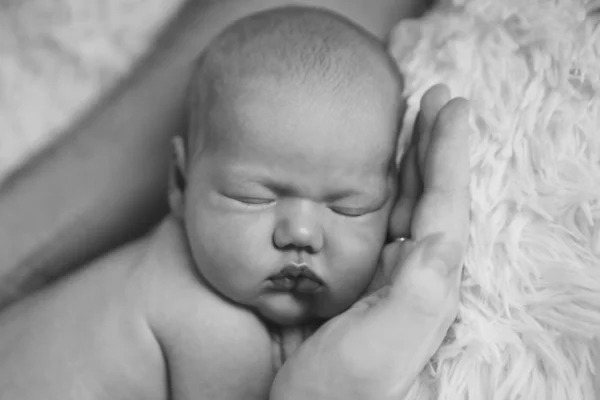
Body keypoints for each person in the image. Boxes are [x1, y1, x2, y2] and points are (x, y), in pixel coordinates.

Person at [0, 1, 471, 400]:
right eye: (253, 198)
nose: (301, 234)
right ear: (181, 184)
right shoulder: (217, 329)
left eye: (350, 207)